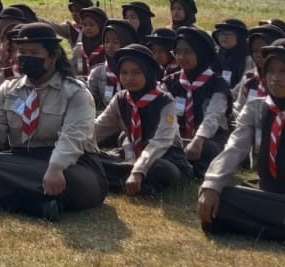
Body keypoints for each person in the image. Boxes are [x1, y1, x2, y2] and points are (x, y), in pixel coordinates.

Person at [0, 22, 106, 221]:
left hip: (72, 164)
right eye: (22, 52)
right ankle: (36, 204)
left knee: (71, 182)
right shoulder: (8, 89)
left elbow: (74, 137)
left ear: (52, 56)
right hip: (22, 160)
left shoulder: (75, 92)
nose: (26, 57)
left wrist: (56, 167)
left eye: (35, 52)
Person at [197, 41, 285, 243]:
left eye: (283, 71)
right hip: (267, 194)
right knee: (217, 204)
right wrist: (212, 184)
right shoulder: (257, 107)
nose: (275, 78)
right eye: (270, 71)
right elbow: (234, 147)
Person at [92, 44, 191, 198]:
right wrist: (74, 143)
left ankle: (118, 179)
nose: (128, 78)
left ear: (148, 72)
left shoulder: (165, 101)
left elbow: (161, 141)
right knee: (92, 158)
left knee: (160, 169)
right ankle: (139, 185)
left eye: (136, 72)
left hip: (163, 156)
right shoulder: (121, 99)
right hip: (132, 153)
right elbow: (99, 127)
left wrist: (139, 170)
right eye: (123, 73)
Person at [169, 26, 232, 174]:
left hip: (209, 139)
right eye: (178, 52)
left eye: (188, 52)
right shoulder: (171, 81)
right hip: (178, 137)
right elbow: (163, 113)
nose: (181, 57)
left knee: (208, 150)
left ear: (201, 53)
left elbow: (213, 115)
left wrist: (198, 139)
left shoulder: (217, 83)